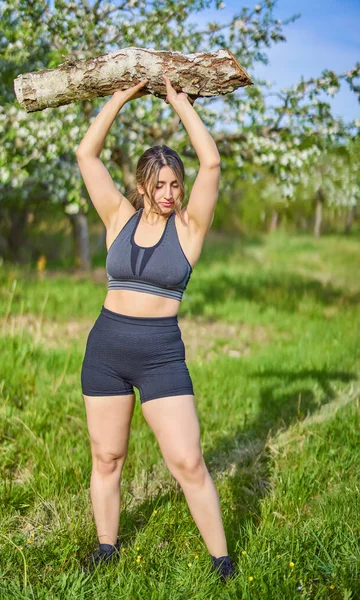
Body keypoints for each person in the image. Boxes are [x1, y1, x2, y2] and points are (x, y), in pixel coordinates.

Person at [76, 74, 235, 583]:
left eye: (175, 185)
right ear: (143, 185)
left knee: (188, 461)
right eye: (160, 184)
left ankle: (222, 562)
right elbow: (87, 154)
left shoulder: (189, 229)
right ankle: (107, 548)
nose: (170, 193)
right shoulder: (117, 216)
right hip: (106, 349)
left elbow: (211, 161)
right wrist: (120, 96)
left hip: (161, 354)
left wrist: (178, 100)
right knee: (107, 456)